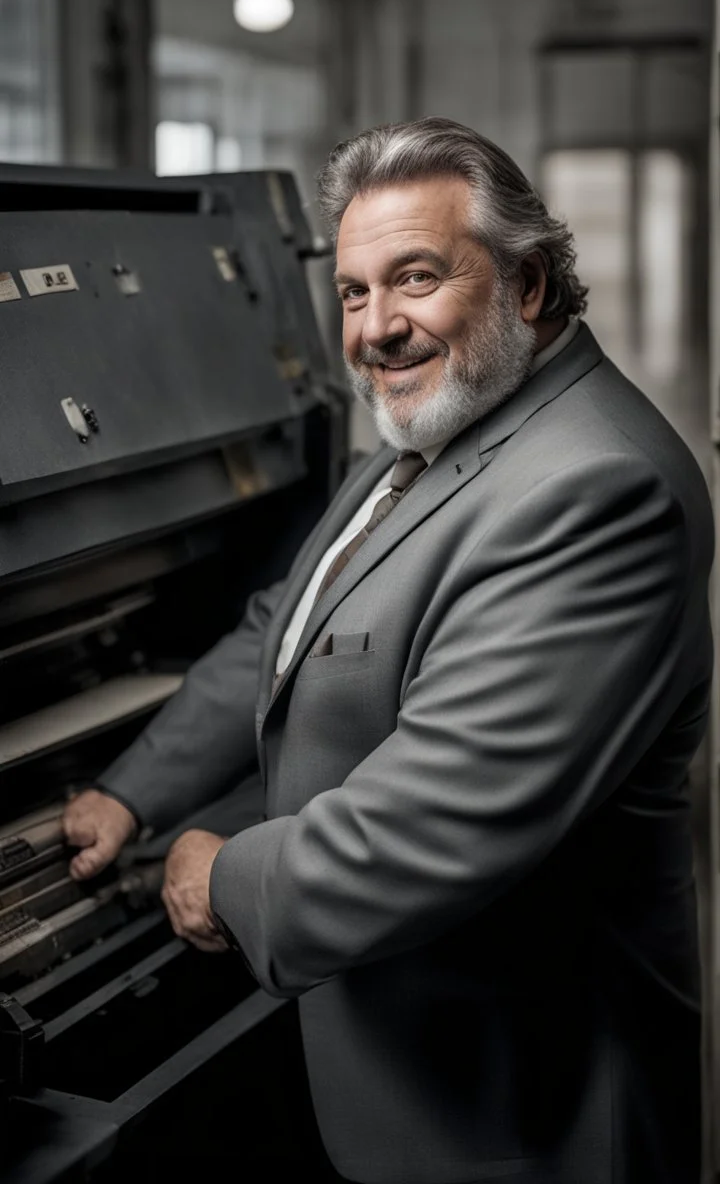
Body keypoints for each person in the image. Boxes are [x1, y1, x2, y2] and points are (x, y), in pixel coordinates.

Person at [63, 117, 714, 1184]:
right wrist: (133, 793)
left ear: (530, 285)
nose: (374, 329)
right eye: (356, 292)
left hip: (519, 1115)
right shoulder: (435, 430)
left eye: (414, 279)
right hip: (403, 1071)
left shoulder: (597, 489)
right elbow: (290, 622)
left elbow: (432, 823)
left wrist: (220, 872)